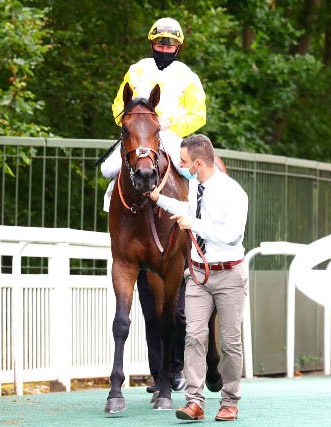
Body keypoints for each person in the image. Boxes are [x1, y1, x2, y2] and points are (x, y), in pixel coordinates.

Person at [102, 17, 207, 393]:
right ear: (152, 43)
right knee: (109, 169)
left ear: (178, 47)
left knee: (188, 171)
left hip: (169, 135)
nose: (164, 48)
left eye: (170, 44)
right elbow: (119, 104)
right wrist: (135, 120)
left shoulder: (187, 76)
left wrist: (166, 122)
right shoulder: (136, 69)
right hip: (139, 132)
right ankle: (115, 210)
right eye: (160, 43)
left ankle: (196, 217)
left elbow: (199, 114)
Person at [149, 134, 249, 422]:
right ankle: (194, 402)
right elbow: (187, 210)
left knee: (230, 343)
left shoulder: (233, 193)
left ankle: (229, 402)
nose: (180, 166)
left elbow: (232, 236)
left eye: (183, 162)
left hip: (229, 274)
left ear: (198, 163)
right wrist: (159, 199)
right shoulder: (195, 187)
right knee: (193, 336)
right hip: (198, 275)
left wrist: (195, 225)